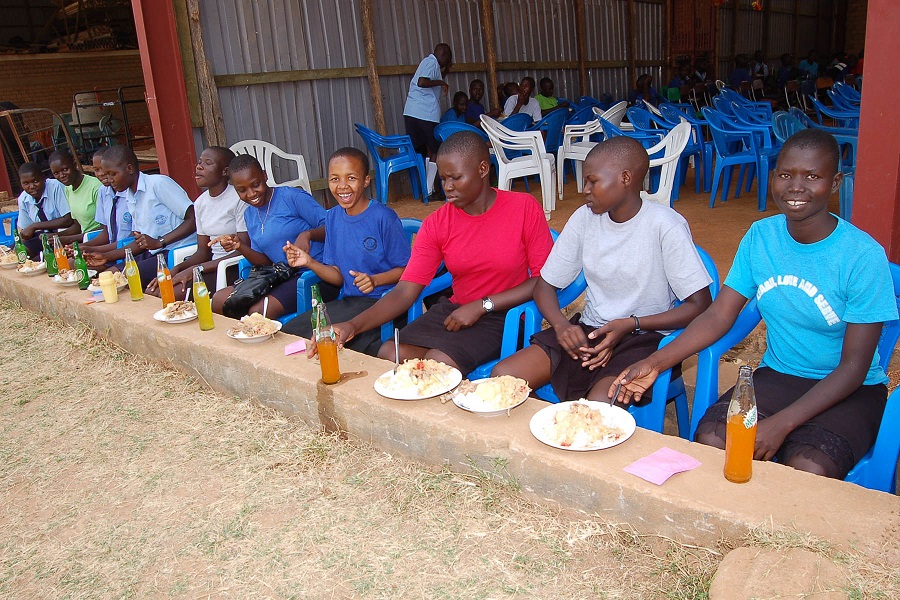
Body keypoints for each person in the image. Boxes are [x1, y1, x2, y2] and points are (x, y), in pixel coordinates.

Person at [611, 129, 898, 480]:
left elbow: (854, 366)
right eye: (785, 174)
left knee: (809, 464)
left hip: (850, 388)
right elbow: (719, 314)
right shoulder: (761, 237)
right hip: (780, 375)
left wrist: (781, 424)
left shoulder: (862, 256)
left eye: (812, 176)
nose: (796, 186)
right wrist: (655, 362)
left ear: (835, 182)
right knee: (713, 438)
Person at [490, 136, 712, 401]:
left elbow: (700, 304)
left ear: (626, 178)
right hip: (590, 332)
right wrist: (562, 326)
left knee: (596, 409)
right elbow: (545, 285)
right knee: (504, 378)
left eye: (592, 181)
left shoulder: (665, 225)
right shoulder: (585, 218)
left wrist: (631, 324)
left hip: (644, 339)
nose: (585, 189)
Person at [315, 131, 554, 376]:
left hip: (507, 314)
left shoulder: (523, 208)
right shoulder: (438, 223)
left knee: (438, 364)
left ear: (483, 169)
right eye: (442, 178)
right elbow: (406, 290)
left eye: (456, 178)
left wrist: (483, 305)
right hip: (456, 311)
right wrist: (353, 325)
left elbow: (543, 279)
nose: (447, 187)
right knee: (390, 353)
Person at [282, 147, 411, 356]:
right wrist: (309, 262)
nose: (342, 186)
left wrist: (375, 280)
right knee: (295, 334)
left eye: (351, 178)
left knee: (346, 349)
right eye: (335, 179)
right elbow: (338, 277)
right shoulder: (332, 217)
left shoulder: (384, 218)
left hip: (385, 303)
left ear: (366, 181)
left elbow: (408, 270)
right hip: (351, 302)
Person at [210, 154, 327, 320]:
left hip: (312, 273)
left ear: (264, 175)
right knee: (219, 300)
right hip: (279, 274)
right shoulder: (249, 214)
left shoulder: (292, 197)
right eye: (242, 190)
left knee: (259, 313)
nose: (251, 194)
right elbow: (265, 262)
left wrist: (307, 234)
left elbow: (332, 226)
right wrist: (240, 247)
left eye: (255, 184)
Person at [84, 145, 196, 287]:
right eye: (107, 175)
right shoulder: (130, 196)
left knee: (125, 280)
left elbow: (193, 219)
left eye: (113, 174)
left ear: (129, 169)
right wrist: (105, 257)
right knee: (111, 276)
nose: (109, 179)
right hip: (154, 252)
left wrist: (159, 242)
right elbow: (141, 242)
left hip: (176, 251)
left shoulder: (158, 184)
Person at [146, 146, 247, 300]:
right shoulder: (200, 203)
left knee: (172, 294)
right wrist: (176, 269)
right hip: (209, 265)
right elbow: (203, 251)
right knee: (154, 292)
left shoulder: (238, 199)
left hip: (231, 267)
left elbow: (242, 250)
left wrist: (196, 269)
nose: (199, 167)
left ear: (225, 171)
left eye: (208, 163)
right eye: (200, 162)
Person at [403, 43, 453, 161]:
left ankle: (425, 178)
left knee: (422, 151)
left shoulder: (431, 65)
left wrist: (446, 71)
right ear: (444, 55)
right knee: (436, 150)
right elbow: (422, 82)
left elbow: (435, 78)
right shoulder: (431, 62)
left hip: (413, 113)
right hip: (424, 115)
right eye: (449, 58)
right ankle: (432, 179)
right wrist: (442, 83)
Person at [80, 147, 133, 256]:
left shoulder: (131, 192)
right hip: (110, 249)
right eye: (96, 170)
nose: (100, 174)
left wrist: (99, 251)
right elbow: (106, 232)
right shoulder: (103, 191)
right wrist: (85, 246)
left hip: (128, 251)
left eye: (103, 169)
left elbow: (134, 239)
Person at [14, 162, 73, 256]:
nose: (32, 186)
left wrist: (35, 226)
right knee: (20, 254)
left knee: (42, 260)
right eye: (26, 183)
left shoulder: (56, 187)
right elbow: (26, 230)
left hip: (65, 234)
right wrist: (18, 245)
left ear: (44, 178)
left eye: (36, 181)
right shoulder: (23, 199)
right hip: (43, 237)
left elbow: (68, 220)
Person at [48, 150, 102, 243]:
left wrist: (70, 239)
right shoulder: (68, 189)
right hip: (84, 239)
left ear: (75, 164)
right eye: (56, 173)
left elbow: (105, 228)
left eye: (65, 170)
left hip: (98, 241)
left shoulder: (96, 187)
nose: (61, 176)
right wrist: (56, 236)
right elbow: (78, 226)